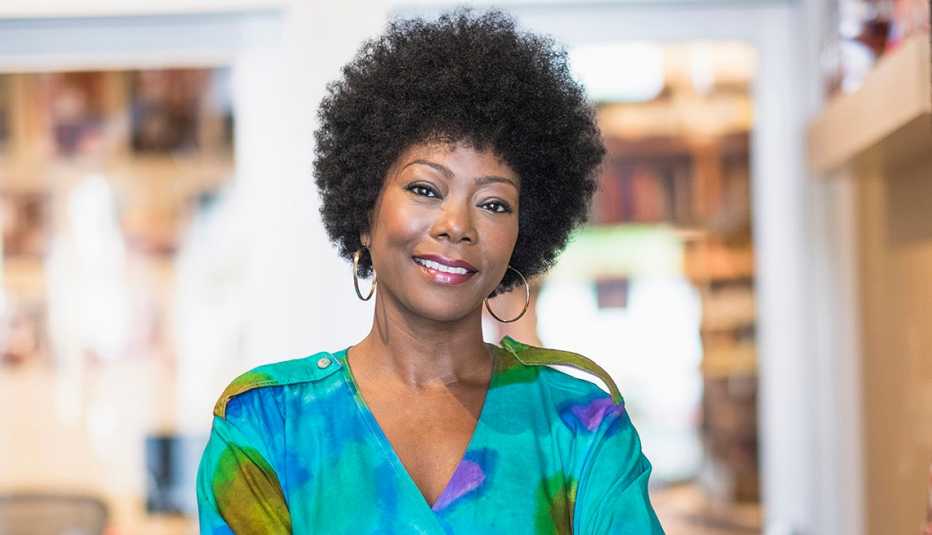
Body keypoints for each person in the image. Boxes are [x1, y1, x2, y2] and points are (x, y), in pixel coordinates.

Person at [196, 9, 664, 534]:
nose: (456, 225)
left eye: (493, 204)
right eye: (425, 189)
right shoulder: (266, 427)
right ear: (365, 213)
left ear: (523, 238)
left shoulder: (581, 429)